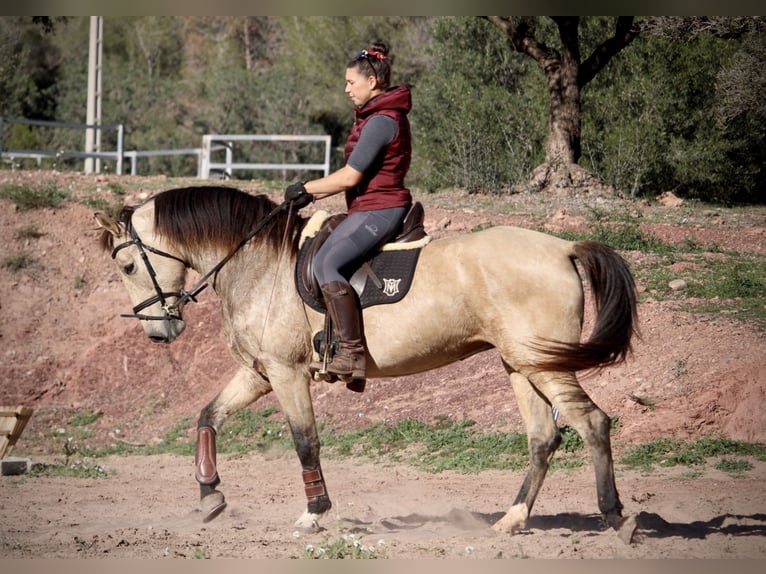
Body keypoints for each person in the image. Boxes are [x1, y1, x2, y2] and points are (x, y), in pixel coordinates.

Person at [284, 41, 413, 392]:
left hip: (381, 209)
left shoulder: (382, 122)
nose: (346, 89)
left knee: (327, 265)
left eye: (350, 82)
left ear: (372, 81)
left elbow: (351, 176)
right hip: (368, 206)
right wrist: (308, 193)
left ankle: (353, 353)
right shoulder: (374, 117)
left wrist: (307, 189)